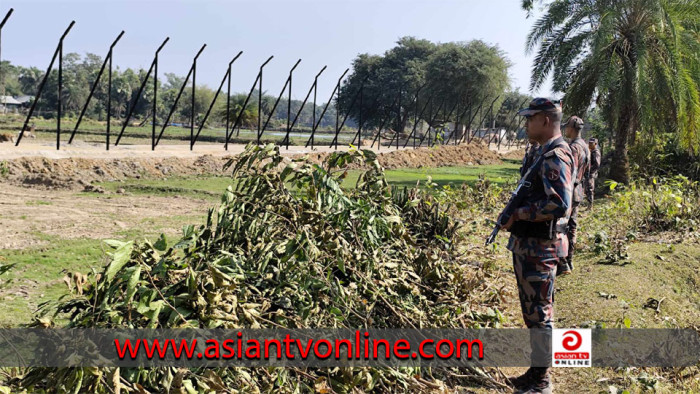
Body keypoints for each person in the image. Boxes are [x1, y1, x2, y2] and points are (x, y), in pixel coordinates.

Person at [500, 98, 574, 394]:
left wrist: (519, 214)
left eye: (530, 118)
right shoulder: (541, 152)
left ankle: (541, 381)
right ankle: (534, 373)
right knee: (532, 313)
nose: (526, 123)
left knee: (540, 315)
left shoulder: (556, 155)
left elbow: (559, 203)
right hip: (528, 246)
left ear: (545, 120)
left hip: (540, 248)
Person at [559, 116, 589, 275]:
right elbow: (587, 171)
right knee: (573, 226)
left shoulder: (574, 148)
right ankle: (569, 261)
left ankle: (564, 262)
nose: (565, 129)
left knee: (563, 226)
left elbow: (572, 172)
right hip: (578, 191)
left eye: (567, 127)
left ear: (572, 128)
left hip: (570, 191)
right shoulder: (585, 146)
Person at [585, 138, 601, 206]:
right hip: (588, 173)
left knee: (590, 189)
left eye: (592, 143)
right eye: (589, 143)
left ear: (595, 144)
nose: (590, 144)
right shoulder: (591, 151)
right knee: (587, 189)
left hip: (591, 173)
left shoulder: (596, 152)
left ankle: (590, 205)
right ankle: (589, 204)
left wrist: (590, 171)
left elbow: (597, 164)